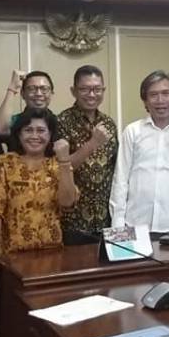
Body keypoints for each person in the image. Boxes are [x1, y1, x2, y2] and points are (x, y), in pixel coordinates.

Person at [109, 71, 169, 236]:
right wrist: (118, 227)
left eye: (166, 93)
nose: (160, 100)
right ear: (145, 101)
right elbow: (120, 180)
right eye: (153, 95)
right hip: (136, 223)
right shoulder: (132, 131)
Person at [0, 109, 76, 270]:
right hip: (11, 254)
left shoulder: (57, 164)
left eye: (41, 130)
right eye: (28, 130)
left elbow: (67, 203)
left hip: (52, 254)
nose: (34, 136)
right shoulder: (5, 163)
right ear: (19, 134)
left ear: (50, 135)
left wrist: (65, 161)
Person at [56, 65, 118, 241]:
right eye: (84, 89)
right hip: (74, 221)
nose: (91, 94)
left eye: (97, 89)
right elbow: (60, 168)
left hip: (106, 218)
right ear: (73, 91)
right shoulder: (62, 121)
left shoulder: (109, 123)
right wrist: (92, 144)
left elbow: (115, 169)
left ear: (103, 90)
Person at [0, 70, 55, 139]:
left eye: (44, 89)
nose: (38, 94)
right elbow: (1, 131)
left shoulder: (59, 122)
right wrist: (12, 88)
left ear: (51, 94)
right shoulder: (16, 121)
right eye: (32, 89)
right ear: (22, 94)